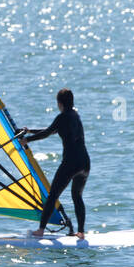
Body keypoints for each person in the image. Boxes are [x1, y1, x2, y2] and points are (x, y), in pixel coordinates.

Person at [23, 88, 90, 239]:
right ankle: (81, 232)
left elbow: (47, 132)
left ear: (59, 103)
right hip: (85, 162)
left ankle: (40, 230)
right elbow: (52, 130)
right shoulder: (75, 116)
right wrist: (30, 131)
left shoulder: (62, 117)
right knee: (77, 196)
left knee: (52, 195)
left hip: (71, 163)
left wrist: (27, 140)